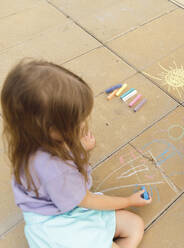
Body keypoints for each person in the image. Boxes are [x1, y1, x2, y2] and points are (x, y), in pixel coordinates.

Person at [1, 60, 151, 248]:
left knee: (134, 225)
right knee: (131, 227)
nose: (83, 123)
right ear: (51, 129)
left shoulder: (29, 138)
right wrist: (128, 201)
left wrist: (78, 148)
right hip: (58, 226)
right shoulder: (56, 171)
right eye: (77, 120)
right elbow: (87, 200)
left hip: (61, 206)